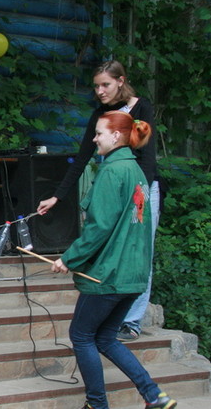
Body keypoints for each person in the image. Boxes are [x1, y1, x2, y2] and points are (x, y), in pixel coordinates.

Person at [50, 111, 175, 409]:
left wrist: (69, 258)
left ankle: (97, 404)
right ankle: (154, 395)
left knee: (81, 336)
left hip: (109, 274)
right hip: (132, 274)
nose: (94, 139)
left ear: (116, 136)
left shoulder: (112, 171)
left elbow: (99, 226)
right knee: (105, 338)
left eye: (98, 133)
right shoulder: (137, 172)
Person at [37, 60, 159, 342]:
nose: (100, 90)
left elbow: (149, 159)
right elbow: (82, 158)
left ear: (120, 81)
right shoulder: (99, 115)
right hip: (112, 184)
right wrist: (57, 195)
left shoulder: (142, 108)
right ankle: (110, 313)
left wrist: (140, 197)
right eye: (96, 86)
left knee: (139, 247)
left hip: (141, 187)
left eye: (105, 84)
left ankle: (131, 321)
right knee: (110, 244)